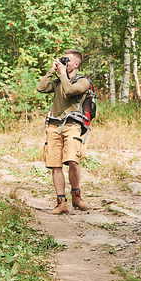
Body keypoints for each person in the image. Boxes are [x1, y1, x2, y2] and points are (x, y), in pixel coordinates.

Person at [37, 49, 91, 214]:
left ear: (76, 64)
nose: (63, 63)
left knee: (72, 161)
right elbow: (41, 87)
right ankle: (61, 202)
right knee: (55, 165)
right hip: (54, 125)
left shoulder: (83, 82)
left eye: (67, 60)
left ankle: (76, 195)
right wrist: (52, 71)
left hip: (72, 124)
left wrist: (62, 74)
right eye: (63, 60)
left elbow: (69, 91)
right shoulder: (58, 80)